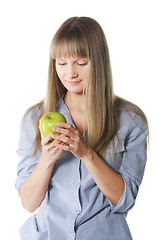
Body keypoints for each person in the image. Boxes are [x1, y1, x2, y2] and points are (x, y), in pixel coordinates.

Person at [15, 16, 148, 240]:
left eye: (81, 63)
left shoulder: (130, 120)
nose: (70, 73)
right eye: (62, 63)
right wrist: (47, 158)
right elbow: (28, 203)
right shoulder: (35, 118)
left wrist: (85, 153)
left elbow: (124, 198)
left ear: (98, 61)